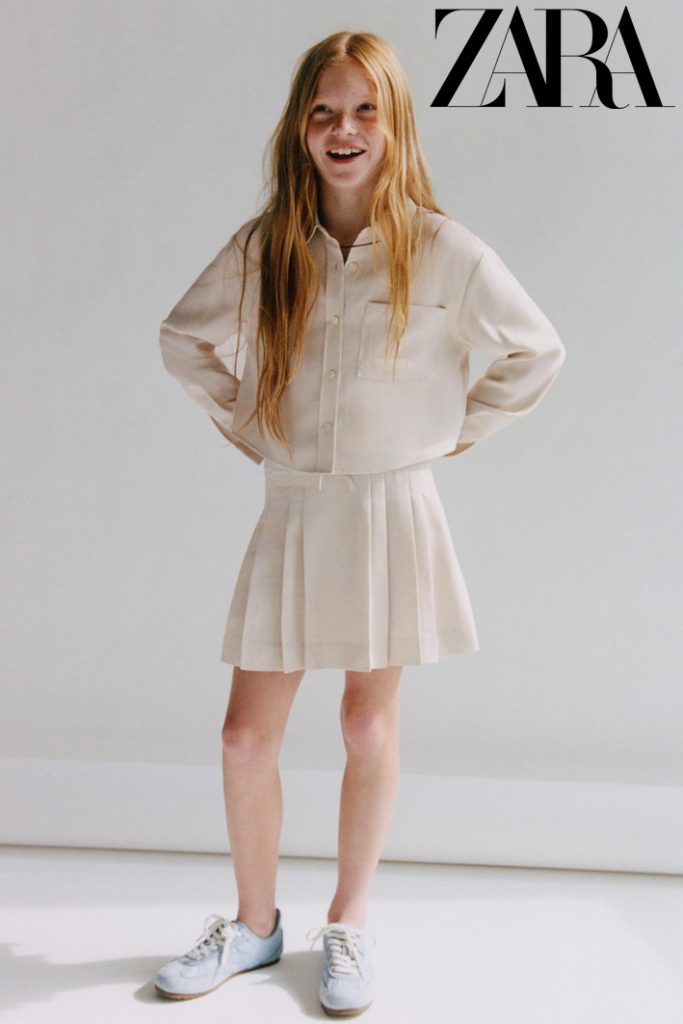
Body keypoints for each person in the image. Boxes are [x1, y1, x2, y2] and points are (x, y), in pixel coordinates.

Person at [154, 29, 566, 1017]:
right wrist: (247, 420)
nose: (344, 129)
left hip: (391, 510)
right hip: (294, 508)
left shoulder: (442, 249)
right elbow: (182, 337)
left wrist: (450, 431)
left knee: (364, 723)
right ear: (300, 128)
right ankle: (254, 925)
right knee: (244, 737)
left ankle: (349, 921)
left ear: (394, 125)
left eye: (364, 111)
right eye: (324, 112)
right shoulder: (266, 246)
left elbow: (536, 350)